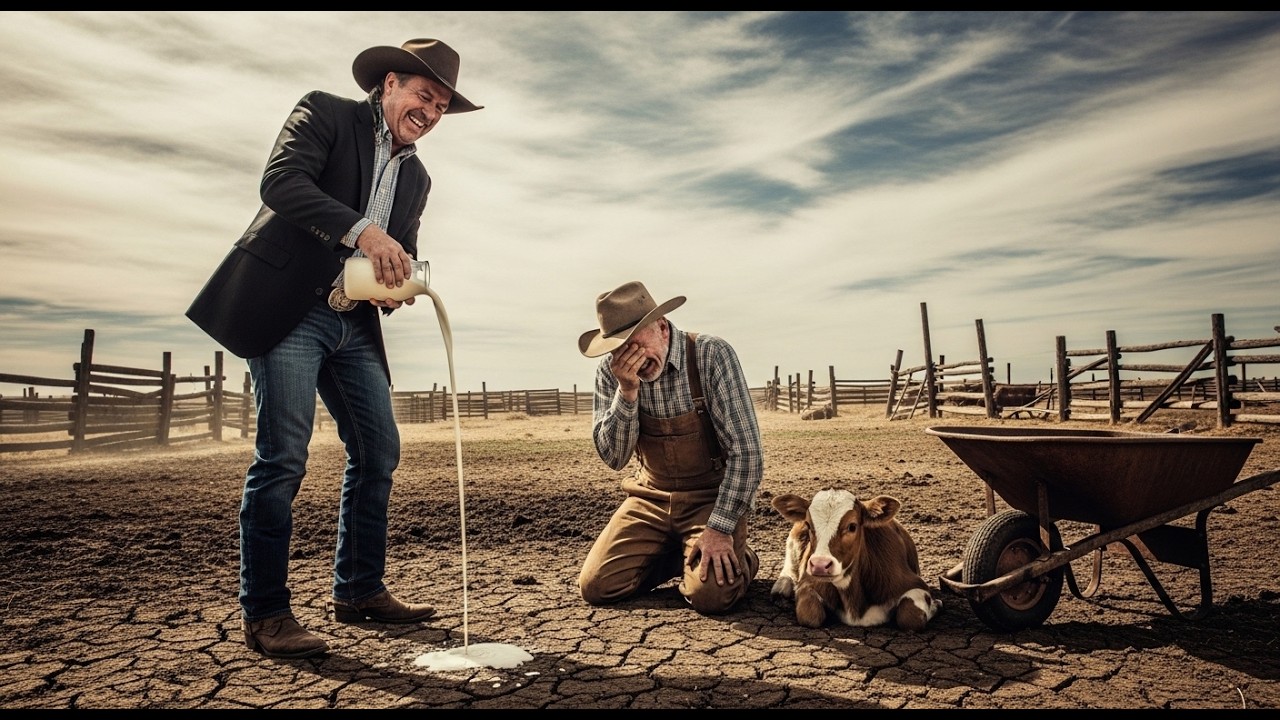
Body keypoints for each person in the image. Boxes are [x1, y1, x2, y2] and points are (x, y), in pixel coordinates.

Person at [186, 38, 483, 659]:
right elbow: (281, 183)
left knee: (379, 449)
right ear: (390, 84)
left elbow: (402, 243)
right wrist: (365, 231)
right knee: (283, 458)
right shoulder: (324, 112)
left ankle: (358, 590)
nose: (430, 112)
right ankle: (266, 613)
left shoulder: (417, 176)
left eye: (442, 105)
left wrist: (398, 284)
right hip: (288, 310)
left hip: (354, 324)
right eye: (423, 95)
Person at [576, 280, 764, 615]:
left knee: (712, 597)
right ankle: (680, 554)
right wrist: (628, 391)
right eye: (619, 348)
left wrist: (720, 529)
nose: (630, 357)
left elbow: (747, 453)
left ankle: (740, 557)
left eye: (636, 342)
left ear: (662, 327)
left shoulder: (710, 355)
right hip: (649, 498)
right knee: (597, 587)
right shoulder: (611, 374)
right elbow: (614, 457)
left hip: (710, 499)